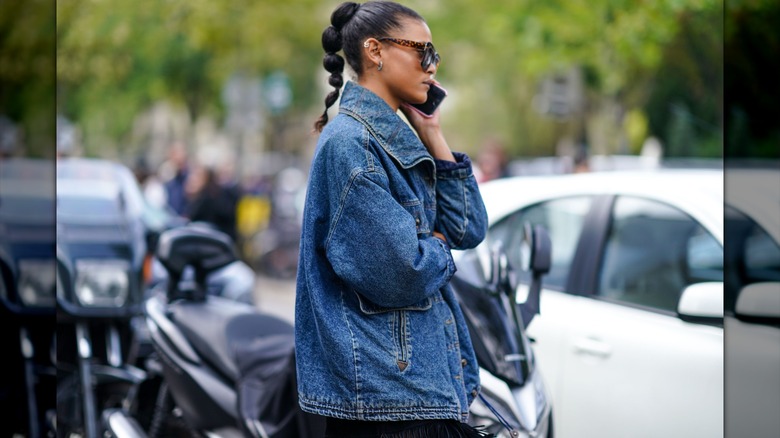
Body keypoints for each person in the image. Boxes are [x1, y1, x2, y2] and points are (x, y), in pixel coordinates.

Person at [295, 2, 492, 437]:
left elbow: (469, 229)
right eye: (423, 52)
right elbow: (405, 271)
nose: (432, 67)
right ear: (375, 51)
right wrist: (437, 245)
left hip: (413, 393)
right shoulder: (353, 145)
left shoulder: (395, 140)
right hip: (389, 401)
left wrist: (433, 134)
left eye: (435, 56)